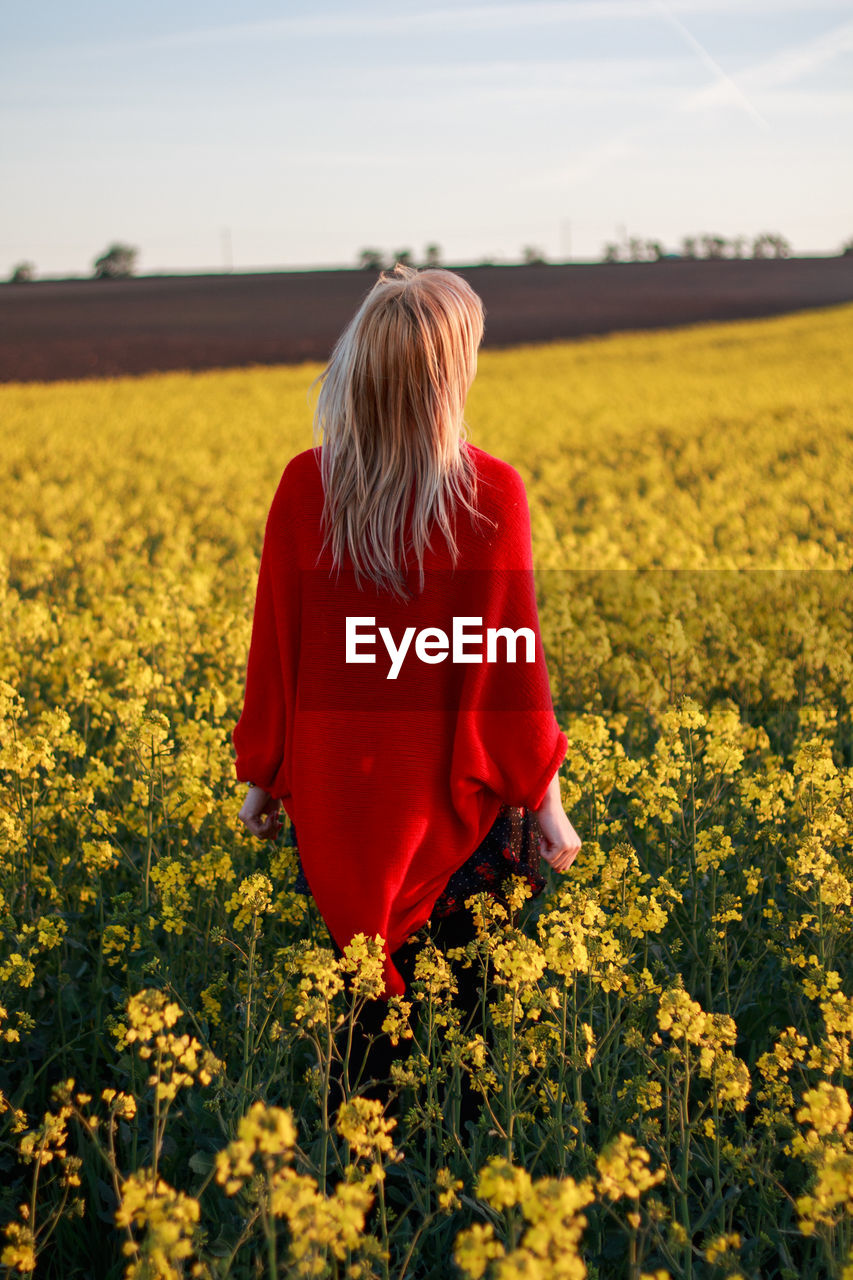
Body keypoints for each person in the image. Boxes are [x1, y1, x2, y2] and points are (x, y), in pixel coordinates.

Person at [233, 263, 581, 1112]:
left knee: (363, 1048)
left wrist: (261, 775)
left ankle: (357, 1216)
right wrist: (545, 801)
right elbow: (507, 667)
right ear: (443, 375)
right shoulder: (489, 491)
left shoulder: (303, 486)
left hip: (339, 817)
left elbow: (279, 646)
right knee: (465, 1054)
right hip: (454, 821)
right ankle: (447, 1220)